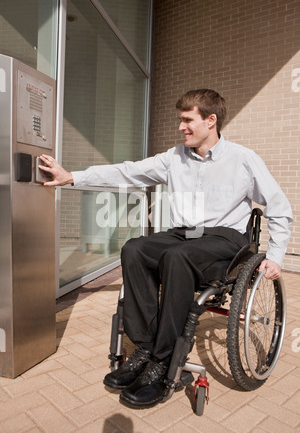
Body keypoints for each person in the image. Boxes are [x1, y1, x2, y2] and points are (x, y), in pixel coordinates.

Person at [39, 89, 293, 409]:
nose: (181, 127)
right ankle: (146, 348)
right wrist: (71, 177)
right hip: (184, 234)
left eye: (188, 120)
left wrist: (275, 255)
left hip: (225, 238)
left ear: (210, 120)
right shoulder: (174, 157)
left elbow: (280, 208)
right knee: (135, 249)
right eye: (179, 120)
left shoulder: (243, 159)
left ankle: (165, 361)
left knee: (177, 256)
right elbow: (127, 172)